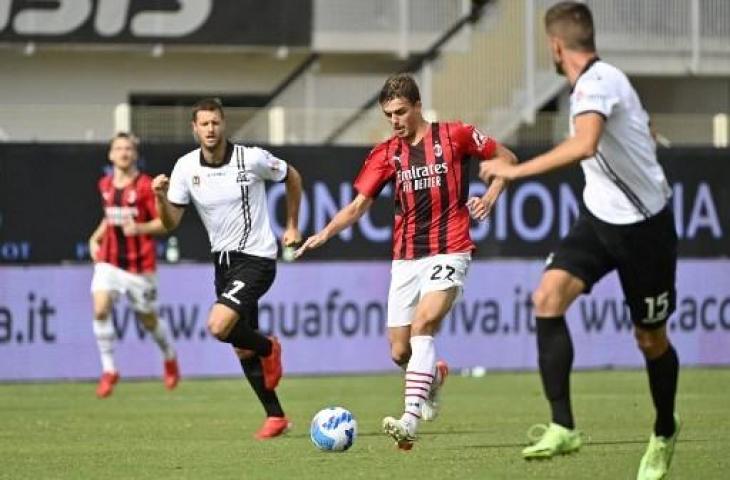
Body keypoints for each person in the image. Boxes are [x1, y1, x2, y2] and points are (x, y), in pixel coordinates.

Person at [480, 3, 680, 478]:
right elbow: (640, 130)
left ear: (555, 45)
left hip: (645, 230)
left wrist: (513, 170)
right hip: (597, 219)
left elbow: (585, 143)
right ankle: (563, 425)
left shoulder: (598, 82)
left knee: (650, 339)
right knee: (547, 298)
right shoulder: (599, 83)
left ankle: (664, 429)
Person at [296, 74, 517, 449]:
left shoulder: (455, 135)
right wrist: (324, 234)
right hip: (406, 258)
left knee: (424, 324)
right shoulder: (385, 153)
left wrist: (491, 196)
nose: (395, 120)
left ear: (417, 106)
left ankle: (409, 420)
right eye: (389, 115)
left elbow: (506, 158)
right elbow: (357, 206)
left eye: (400, 112)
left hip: (452, 247)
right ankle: (432, 376)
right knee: (400, 350)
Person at [151, 98, 303, 440]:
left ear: (224, 124)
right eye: (203, 124)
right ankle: (276, 416)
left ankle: (269, 347)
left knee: (219, 325)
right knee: (240, 344)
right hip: (223, 263)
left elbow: (292, 175)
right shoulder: (185, 168)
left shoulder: (250, 158)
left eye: (215, 123)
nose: (210, 129)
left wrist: (291, 225)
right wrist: (160, 197)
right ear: (194, 128)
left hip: (257, 258)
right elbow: (171, 221)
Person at [89, 132, 180, 398]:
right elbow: (110, 218)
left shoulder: (145, 185)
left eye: (128, 149)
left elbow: (164, 223)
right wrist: (95, 238)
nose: (124, 153)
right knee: (100, 309)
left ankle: (169, 356)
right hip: (109, 263)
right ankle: (109, 370)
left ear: (135, 154)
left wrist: (139, 227)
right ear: (111, 154)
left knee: (149, 320)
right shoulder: (105, 184)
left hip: (140, 267)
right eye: (119, 148)